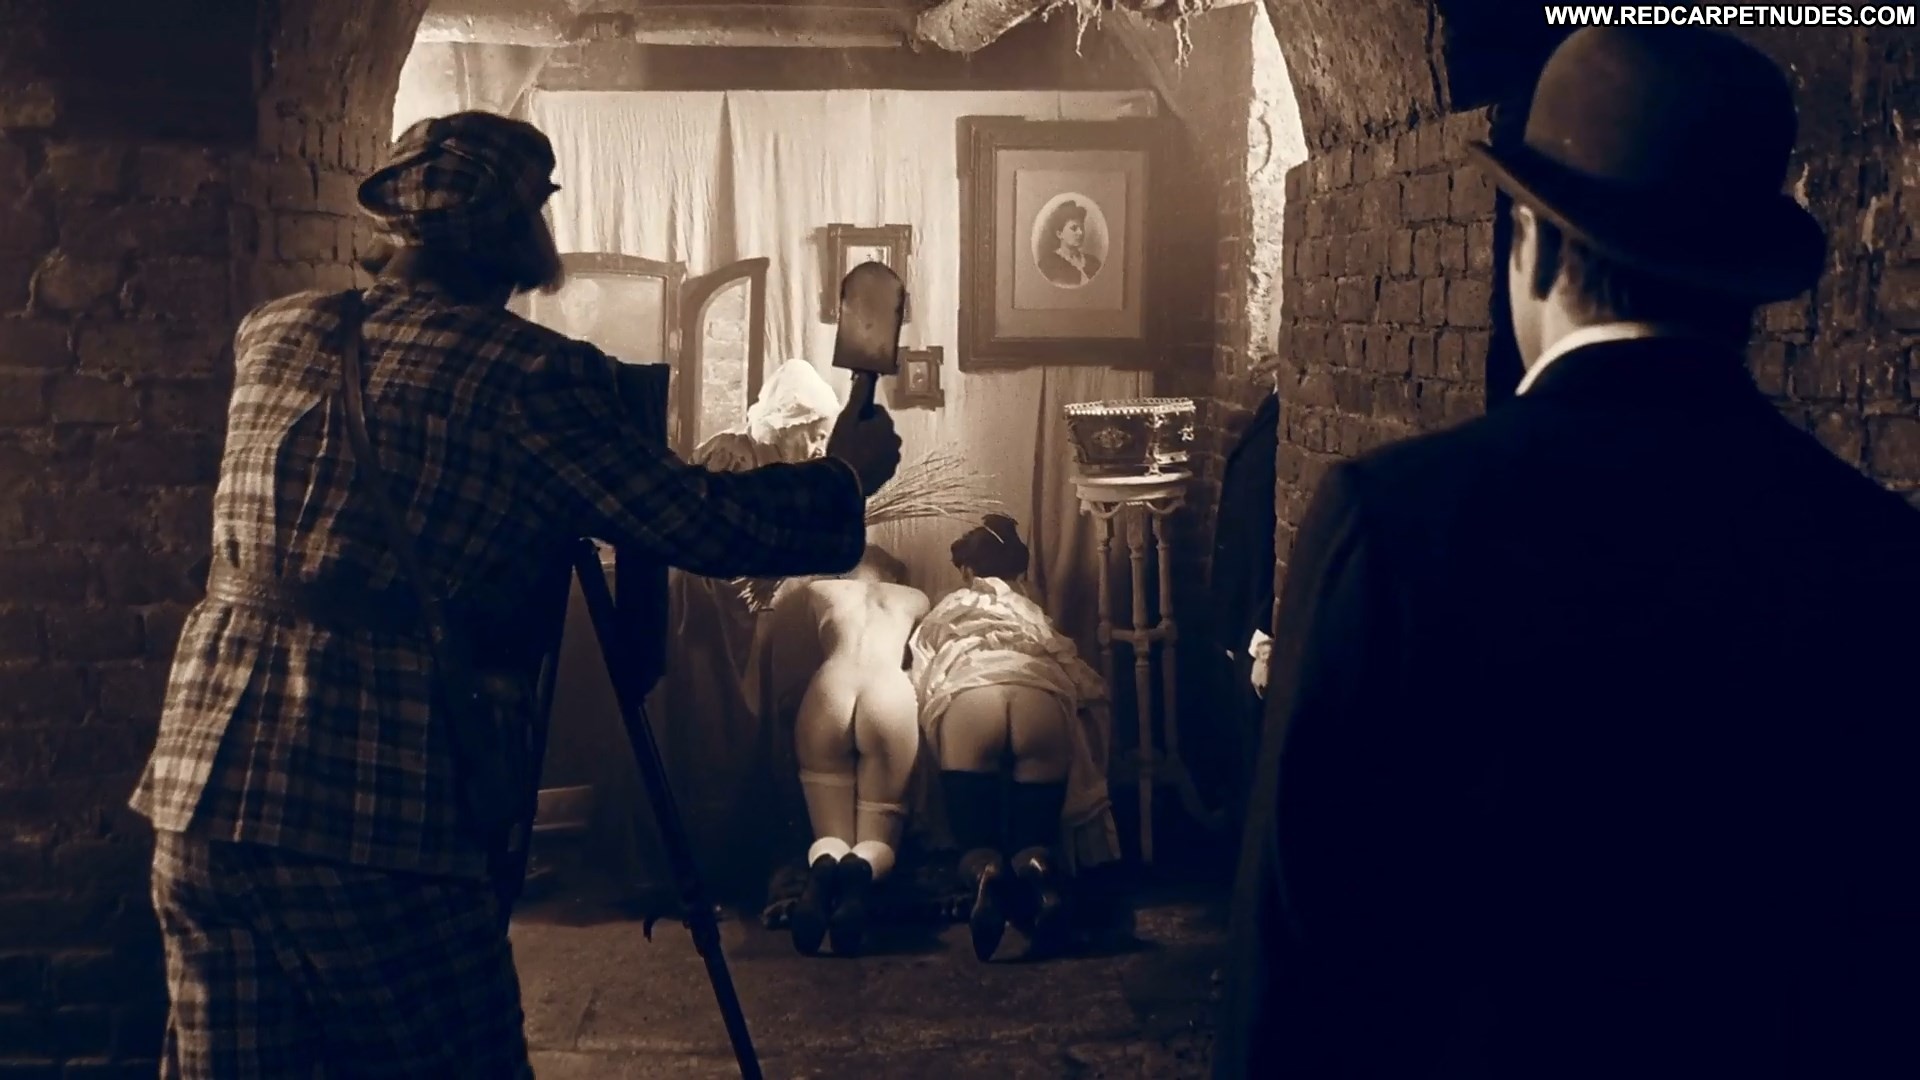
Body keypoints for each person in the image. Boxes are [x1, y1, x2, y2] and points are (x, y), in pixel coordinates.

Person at [129, 111, 902, 1080]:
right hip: (376, 801)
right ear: (517, 233)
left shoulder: (275, 333)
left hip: (205, 781)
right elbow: (696, 521)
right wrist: (842, 479)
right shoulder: (531, 375)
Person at [1215, 27, 1920, 1079]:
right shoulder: (1881, 555)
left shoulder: (1392, 524)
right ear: (1743, 284)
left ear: (1532, 246)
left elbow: (1296, 957)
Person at [909, 515, 1119, 962]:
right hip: (1037, 697)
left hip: (971, 699)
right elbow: (1077, 674)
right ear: (1019, 571)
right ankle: (1040, 875)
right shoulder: (1031, 612)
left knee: (976, 840)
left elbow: (920, 677)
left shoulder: (946, 610)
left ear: (966, 571)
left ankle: (985, 873)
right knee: (1033, 838)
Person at [784, 544, 929, 957]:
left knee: (830, 833)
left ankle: (823, 870)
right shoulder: (915, 598)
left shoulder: (820, 591)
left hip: (830, 687)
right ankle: (859, 876)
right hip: (888, 690)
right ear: (893, 575)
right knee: (880, 827)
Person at [1034, 200, 1102, 288]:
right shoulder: (1047, 265)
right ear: (1059, 234)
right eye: (1074, 228)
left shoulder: (1093, 262)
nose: (1080, 233)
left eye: (1082, 228)